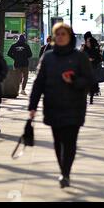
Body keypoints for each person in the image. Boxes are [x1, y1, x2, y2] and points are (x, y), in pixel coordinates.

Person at [28, 23, 91, 189]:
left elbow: (89, 81)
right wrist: (32, 106)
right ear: (55, 37)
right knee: (57, 141)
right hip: (53, 106)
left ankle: (66, 173)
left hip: (74, 107)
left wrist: (75, 81)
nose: (61, 36)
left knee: (70, 142)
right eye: (58, 34)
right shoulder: (48, 57)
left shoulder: (79, 57)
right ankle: (62, 169)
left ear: (70, 36)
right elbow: (38, 83)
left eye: (64, 34)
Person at [81, 32, 102, 104]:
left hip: (94, 67)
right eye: (86, 42)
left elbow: (99, 57)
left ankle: (91, 98)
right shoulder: (85, 48)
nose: (86, 43)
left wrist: (93, 59)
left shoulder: (95, 47)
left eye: (88, 42)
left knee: (92, 83)